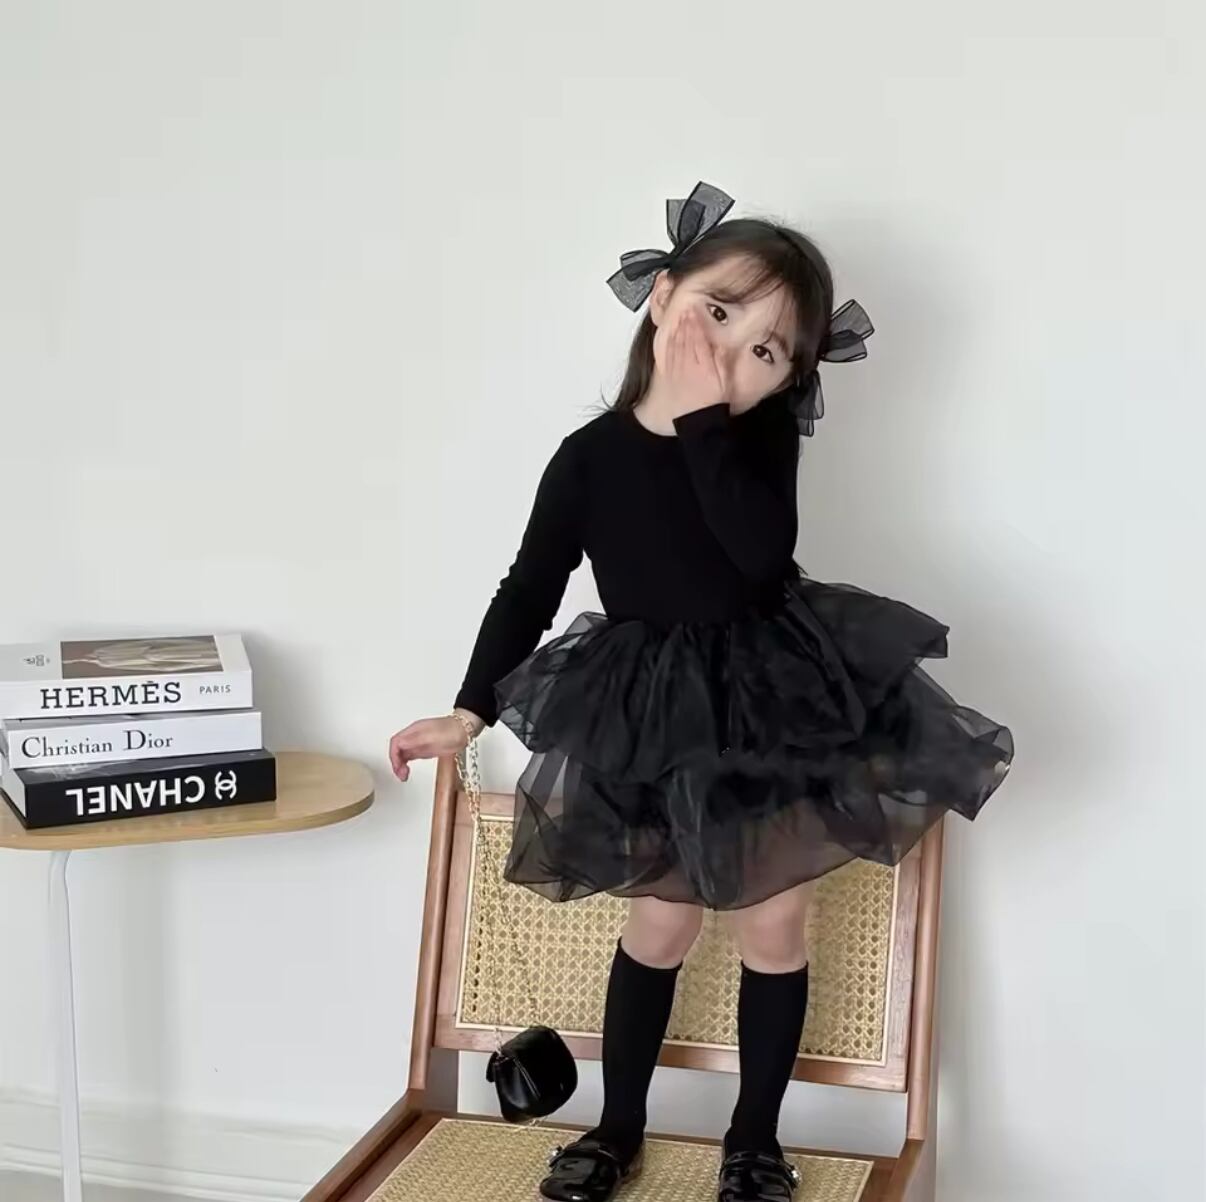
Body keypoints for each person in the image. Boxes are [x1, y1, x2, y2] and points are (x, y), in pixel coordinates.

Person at [389, 181, 1013, 1202]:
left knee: (774, 925)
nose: (730, 352)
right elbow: (529, 587)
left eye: (767, 350)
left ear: (789, 380)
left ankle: (753, 1140)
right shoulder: (588, 459)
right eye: (718, 313)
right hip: (652, 712)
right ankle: (617, 1125)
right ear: (662, 297)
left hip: (770, 699)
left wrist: (703, 424)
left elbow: (760, 555)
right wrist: (470, 708)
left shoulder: (756, 440)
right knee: (659, 926)